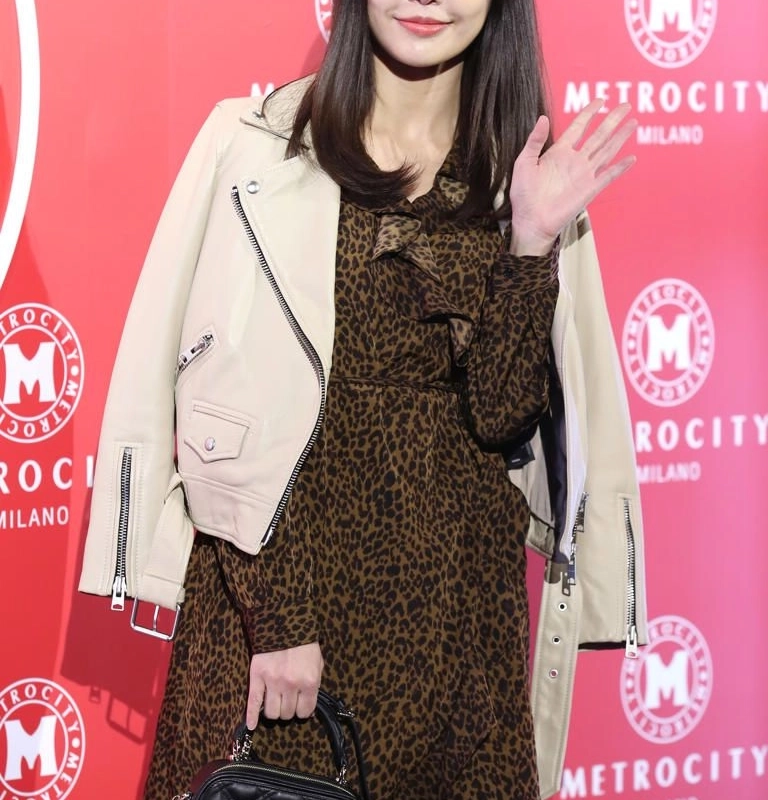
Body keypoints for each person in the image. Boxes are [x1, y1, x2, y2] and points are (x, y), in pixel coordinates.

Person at [79, 0, 648, 798]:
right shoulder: (256, 145)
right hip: (282, 612)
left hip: (459, 630)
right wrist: (279, 620)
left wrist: (529, 243)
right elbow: (216, 407)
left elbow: (503, 416)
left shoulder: (522, 177)